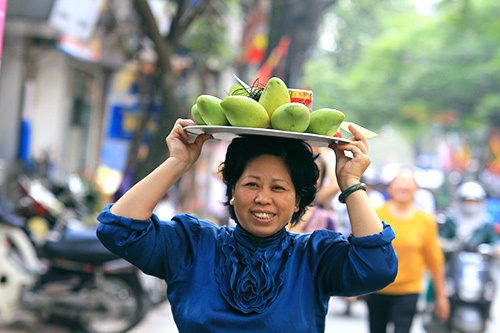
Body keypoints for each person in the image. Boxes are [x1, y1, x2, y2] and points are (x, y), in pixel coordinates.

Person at [96, 118, 398, 332]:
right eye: (251, 184)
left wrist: (350, 182)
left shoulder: (315, 256)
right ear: (232, 191)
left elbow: (378, 267)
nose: (263, 198)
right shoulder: (193, 244)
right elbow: (118, 229)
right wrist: (177, 162)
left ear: (298, 201)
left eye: (278, 188)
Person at [365, 168, 449, 333]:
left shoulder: (425, 221)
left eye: (408, 184)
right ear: (390, 187)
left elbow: (434, 260)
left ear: (416, 189)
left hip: (409, 290)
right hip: (377, 288)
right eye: (399, 183)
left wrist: (441, 297)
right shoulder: (376, 214)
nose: (403, 187)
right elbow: (366, 251)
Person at [439, 181, 500, 254]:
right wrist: (450, 245)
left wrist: (489, 249)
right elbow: (439, 241)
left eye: (474, 201)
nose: (471, 205)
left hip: (480, 262)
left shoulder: (486, 223)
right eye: (467, 201)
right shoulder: (451, 220)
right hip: (454, 261)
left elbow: (496, 244)